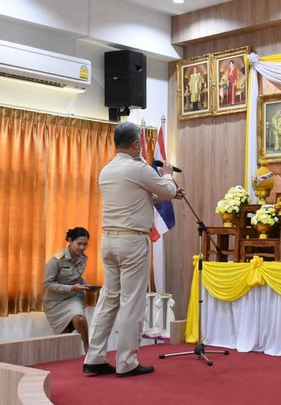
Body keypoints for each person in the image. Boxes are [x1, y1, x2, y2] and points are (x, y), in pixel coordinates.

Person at [83, 121, 184, 377]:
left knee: (109, 298)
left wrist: (160, 193)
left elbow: (139, 197)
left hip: (109, 240)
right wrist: (170, 174)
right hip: (132, 241)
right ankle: (126, 362)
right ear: (137, 143)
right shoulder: (139, 169)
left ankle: (94, 357)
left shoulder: (106, 170)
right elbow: (166, 190)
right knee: (132, 302)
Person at [43, 227, 92, 353]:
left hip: (73, 298)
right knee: (64, 338)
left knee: (79, 318)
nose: (82, 247)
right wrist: (72, 288)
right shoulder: (57, 260)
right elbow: (47, 283)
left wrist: (86, 285)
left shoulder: (83, 258)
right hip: (55, 302)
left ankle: (88, 348)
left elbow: (76, 277)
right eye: (79, 244)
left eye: (85, 244)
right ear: (70, 241)